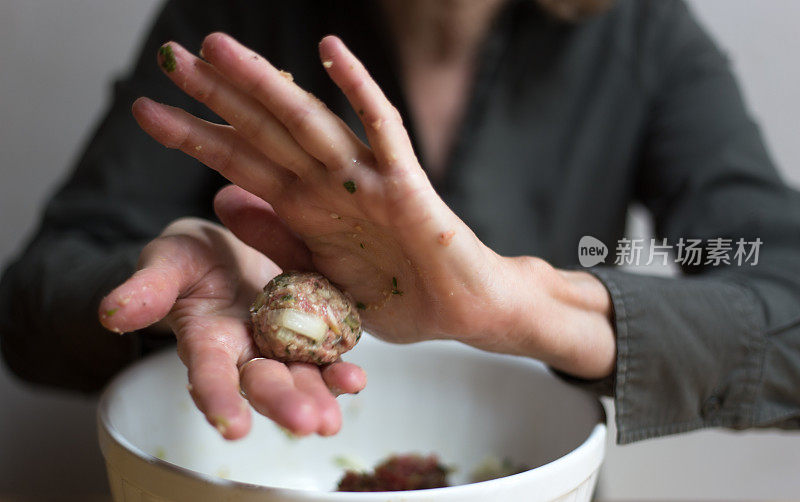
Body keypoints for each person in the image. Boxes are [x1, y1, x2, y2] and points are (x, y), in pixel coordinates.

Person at [1, 0, 798, 443]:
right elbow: (31, 298)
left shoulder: (646, 41)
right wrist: (174, 288)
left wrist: (535, 308)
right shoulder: (233, 16)